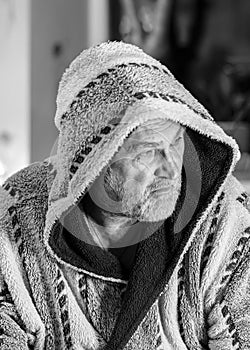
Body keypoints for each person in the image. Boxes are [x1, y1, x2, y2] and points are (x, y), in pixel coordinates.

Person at [0, 41, 250, 350]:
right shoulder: (15, 220)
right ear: (94, 164)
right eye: (148, 151)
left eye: (176, 142)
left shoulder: (224, 221)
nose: (171, 168)